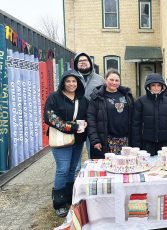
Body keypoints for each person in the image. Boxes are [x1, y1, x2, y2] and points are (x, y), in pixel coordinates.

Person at [44, 70, 89, 217]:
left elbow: (88, 116)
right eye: (68, 81)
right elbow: (51, 118)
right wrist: (72, 127)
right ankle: (59, 202)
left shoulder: (82, 99)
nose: (71, 84)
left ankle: (69, 197)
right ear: (63, 82)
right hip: (60, 140)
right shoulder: (54, 98)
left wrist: (86, 124)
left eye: (74, 81)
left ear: (78, 83)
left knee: (72, 170)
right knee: (63, 169)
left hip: (78, 140)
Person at [87, 69, 134, 159]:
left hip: (125, 140)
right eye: (111, 80)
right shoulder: (97, 97)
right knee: (110, 167)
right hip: (107, 140)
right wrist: (95, 139)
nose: (114, 82)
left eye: (117, 80)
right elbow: (91, 119)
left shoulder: (127, 95)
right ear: (105, 80)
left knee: (124, 167)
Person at [132, 73, 167, 155]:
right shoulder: (140, 101)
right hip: (146, 143)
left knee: (163, 165)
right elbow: (136, 125)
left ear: (162, 87)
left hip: (164, 144)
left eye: (159, 85)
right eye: (153, 85)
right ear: (148, 86)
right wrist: (137, 145)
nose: (156, 88)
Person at [74, 52, 104, 159]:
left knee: (92, 150)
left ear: (90, 63)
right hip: (77, 120)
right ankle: (75, 172)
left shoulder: (100, 79)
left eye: (85, 60)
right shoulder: (71, 78)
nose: (83, 63)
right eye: (80, 61)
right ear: (76, 63)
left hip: (93, 120)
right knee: (75, 152)